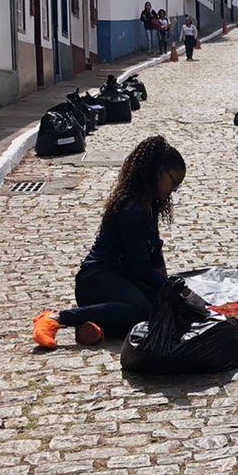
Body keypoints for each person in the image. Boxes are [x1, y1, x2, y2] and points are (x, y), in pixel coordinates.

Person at [32, 135, 186, 347]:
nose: (173, 190)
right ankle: (56, 318)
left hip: (122, 284)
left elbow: (155, 255)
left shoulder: (150, 206)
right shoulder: (131, 210)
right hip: (97, 281)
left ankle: (93, 326)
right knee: (143, 311)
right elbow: (140, 268)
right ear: (156, 173)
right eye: (173, 183)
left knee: (162, 310)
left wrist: (169, 293)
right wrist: (174, 288)